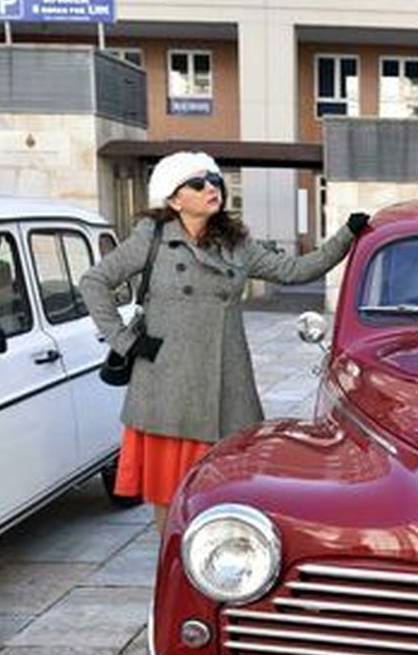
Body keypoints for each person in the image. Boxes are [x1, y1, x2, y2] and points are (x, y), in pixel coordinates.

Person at [79, 151, 368, 529]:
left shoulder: (236, 242)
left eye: (214, 181)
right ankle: (173, 570)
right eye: (197, 184)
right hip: (167, 386)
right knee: (170, 497)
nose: (210, 188)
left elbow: (295, 271)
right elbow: (93, 282)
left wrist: (346, 235)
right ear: (173, 198)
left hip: (224, 384)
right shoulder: (151, 238)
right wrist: (123, 341)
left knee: (226, 490)